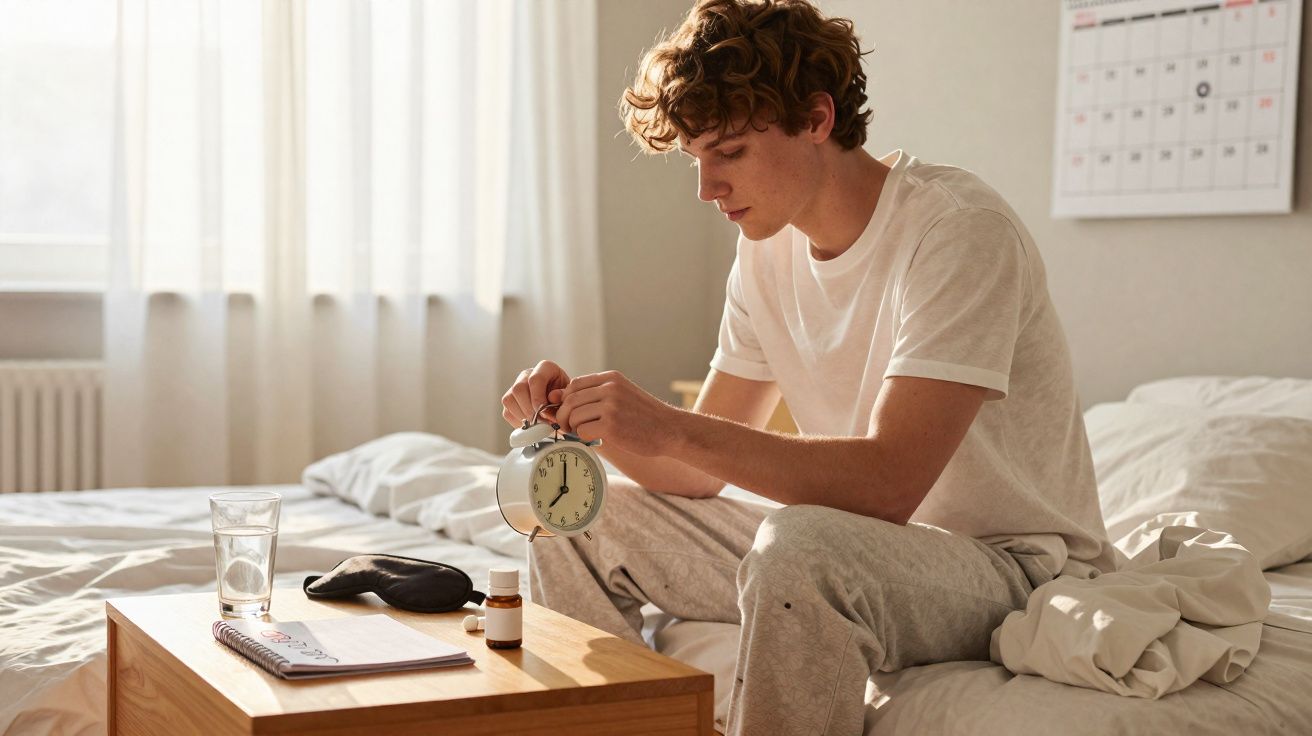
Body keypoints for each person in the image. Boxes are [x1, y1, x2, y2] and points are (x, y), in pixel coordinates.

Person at [500, 0, 1116, 733]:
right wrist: (600, 421)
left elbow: (890, 483)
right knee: (578, 519)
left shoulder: (956, 232)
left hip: (1009, 571)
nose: (707, 189)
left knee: (799, 544)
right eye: (696, 160)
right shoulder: (765, 250)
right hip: (867, 551)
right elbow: (696, 472)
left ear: (818, 119)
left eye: (728, 152)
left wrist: (671, 426)